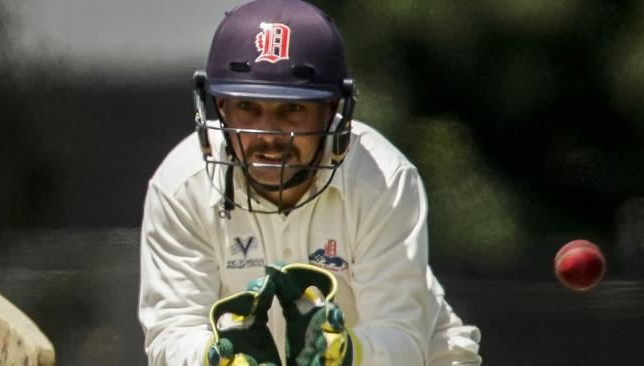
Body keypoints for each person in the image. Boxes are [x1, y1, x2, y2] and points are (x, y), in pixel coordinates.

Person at [138, 0, 482, 365]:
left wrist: (344, 353)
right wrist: (216, 358)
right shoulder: (181, 186)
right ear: (220, 106)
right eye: (248, 108)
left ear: (332, 109)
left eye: (292, 109)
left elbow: (402, 337)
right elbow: (172, 333)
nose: (268, 135)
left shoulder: (382, 179)